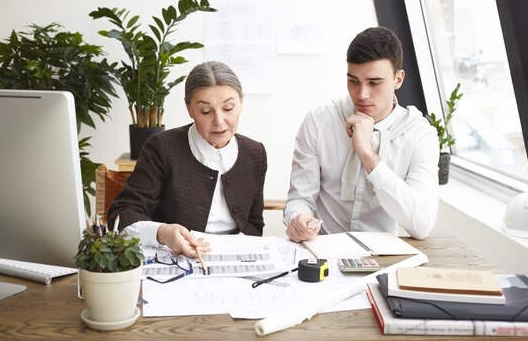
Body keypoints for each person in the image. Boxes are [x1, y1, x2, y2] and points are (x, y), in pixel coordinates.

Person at [283, 26, 439, 243]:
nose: (362, 94)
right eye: (353, 81)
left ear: (398, 79)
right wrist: (297, 218)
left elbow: (421, 225)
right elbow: (299, 198)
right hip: (323, 250)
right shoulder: (318, 121)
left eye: (374, 83)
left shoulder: (420, 135)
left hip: (384, 256)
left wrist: (367, 154)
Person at [107, 61, 267, 258]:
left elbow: (254, 223)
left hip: (234, 263)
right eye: (206, 111)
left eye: (228, 108)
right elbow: (123, 213)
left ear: (241, 103)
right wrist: (162, 233)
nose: (219, 121)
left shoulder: (254, 153)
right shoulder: (162, 148)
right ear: (189, 108)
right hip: (173, 261)